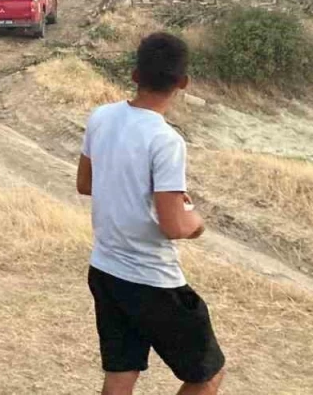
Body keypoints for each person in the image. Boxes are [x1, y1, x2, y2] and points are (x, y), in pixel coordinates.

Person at [76, 32, 225, 395]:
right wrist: (197, 224)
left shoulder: (101, 117)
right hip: (152, 279)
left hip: (106, 269)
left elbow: (85, 183)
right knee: (207, 375)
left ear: (134, 75)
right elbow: (174, 224)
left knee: (121, 374)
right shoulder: (166, 141)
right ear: (183, 82)